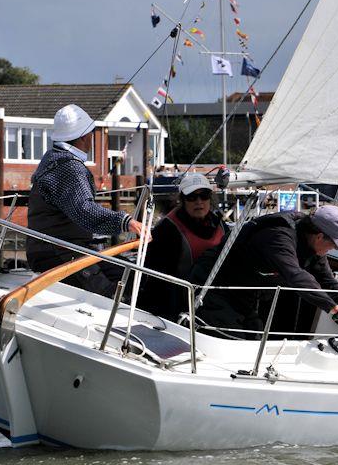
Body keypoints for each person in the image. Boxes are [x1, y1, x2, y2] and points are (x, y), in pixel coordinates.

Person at [194, 205, 338, 337]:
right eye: (333, 245)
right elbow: (296, 276)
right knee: (227, 338)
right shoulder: (278, 237)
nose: (332, 250)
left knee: (254, 335)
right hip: (215, 289)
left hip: (245, 294)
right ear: (319, 236)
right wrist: (335, 310)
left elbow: (327, 279)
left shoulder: (312, 244)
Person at [26, 104, 142, 296]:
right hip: (59, 252)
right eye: (92, 132)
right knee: (114, 291)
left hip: (56, 249)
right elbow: (84, 210)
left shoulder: (51, 158)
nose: (92, 137)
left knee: (130, 276)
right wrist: (126, 222)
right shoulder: (70, 168)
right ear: (83, 136)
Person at [143, 173, 227, 321]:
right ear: (182, 200)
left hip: (215, 298)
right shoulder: (167, 230)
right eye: (192, 197)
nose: (199, 202)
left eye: (204, 196)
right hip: (179, 303)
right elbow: (158, 279)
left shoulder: (220, 224)